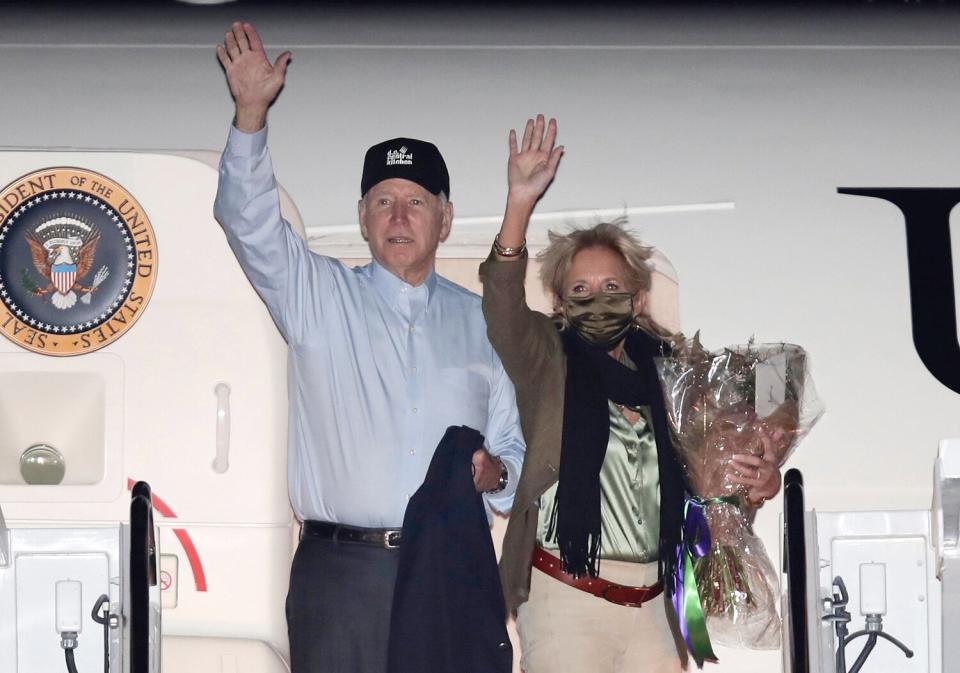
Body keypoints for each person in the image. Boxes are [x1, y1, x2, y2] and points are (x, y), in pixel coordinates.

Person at [213, 22, 525, 673]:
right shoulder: (317, 295)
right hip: (342, 577)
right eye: (384, 200)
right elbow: (249, 220)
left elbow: (510, 450)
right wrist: (249, 117)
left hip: (446, 569)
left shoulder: (481, 322)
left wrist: (495, 473)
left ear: (444, 218)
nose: (400, 215)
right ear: (362, 217)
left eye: (416, 202)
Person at [479, 115, 783, 673]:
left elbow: (712, 488)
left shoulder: (677, 380)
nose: (597, 301)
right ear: (562, 303)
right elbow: (501, 308)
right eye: (581, 290)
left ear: (638, 298)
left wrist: (756, 484)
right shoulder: (547, 359)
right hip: (568, 600)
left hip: (657, 609)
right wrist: (518, 203)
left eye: (612, 288)